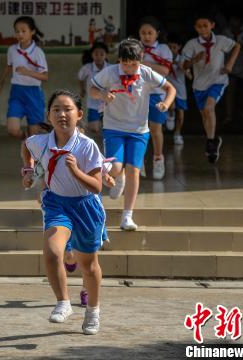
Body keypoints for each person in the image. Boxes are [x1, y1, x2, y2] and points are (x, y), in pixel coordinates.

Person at [21, 89, 106, 335]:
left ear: (79, 114)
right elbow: (25, 147)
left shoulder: (86, 146)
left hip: (86, 207)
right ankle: (63, 302)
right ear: (48, 115)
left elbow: (97, 185)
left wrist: (76, 171)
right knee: (52, 252)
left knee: (88, 266)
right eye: (56, 109)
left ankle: (93, 311)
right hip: (57, 204)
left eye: (68, 109)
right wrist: (28, 170)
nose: (62, 114)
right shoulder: (40, 141)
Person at [90, 38, 176, 230]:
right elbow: (93, 89)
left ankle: (127, 216)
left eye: (133, 64)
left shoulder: (146, 73)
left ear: (141, 59)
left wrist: (165, 104)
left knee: (134, 170)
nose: (128, 68)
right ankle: (118, 176)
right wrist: (103, 95)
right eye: (124, 63)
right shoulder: (110, 72)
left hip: (138, 130)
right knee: (114, 167)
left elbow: (171, 88)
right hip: (114, 127)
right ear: (119, 59)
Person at [182, 13, 241, 163]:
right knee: (204, 115)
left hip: (218, 80)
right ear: (195, 28)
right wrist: (195, 59)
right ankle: (213, 140)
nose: (202, 29)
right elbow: (184, 65)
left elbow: (236, 46)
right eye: (199, 26)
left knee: (209, 108)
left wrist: (229, 64)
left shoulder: (221, 41)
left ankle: (209, 142)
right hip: (199, 84)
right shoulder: (191, 44)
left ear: (212, 25)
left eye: (205, 26)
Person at [0, 16, 48, 140]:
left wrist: (27, 72)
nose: (20, 34)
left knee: (34, 133)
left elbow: (45, 77)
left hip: (34, 93)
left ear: (32, 32)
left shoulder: (38, 52)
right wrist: (0, 83)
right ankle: (26, 141)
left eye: (23, 31)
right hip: (17, 92)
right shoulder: (12, 50)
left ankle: (32, 147)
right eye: (17, 31)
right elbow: (8, 66)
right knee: (12, 129)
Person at [139, 16, 173, 180]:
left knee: (155, 129)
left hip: (157, 94)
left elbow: (165, 71)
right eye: (143, 33)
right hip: (138, 95)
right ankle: (139, 162)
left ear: (157, 34)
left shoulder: (164, 49)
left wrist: (144, 63)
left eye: (150, 33)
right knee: (138, 129)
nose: (146, 36)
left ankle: (158, 158)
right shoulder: (135, 47)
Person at [78, 42, 110, 135]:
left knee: (107, 128)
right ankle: (84, 125)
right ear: (92, 55)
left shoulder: (110, 68)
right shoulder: (86, 68)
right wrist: (82, 89)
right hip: (93, 103)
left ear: (106, 55)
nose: (99, 56)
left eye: (101, 54)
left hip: (107, 103)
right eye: (96, 54)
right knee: (94, 129)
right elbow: (81, 78)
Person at [166, 33, 192, 146]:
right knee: (171, 105)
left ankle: (177, 134)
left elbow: (190, 77)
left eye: (174, 47)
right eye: (169, 47)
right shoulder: (163, 58)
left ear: (179, 47)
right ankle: (170, 114)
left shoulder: (182, 60)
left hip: (180, 90)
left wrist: (183, 68)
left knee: (181, 115)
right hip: (166, 89)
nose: (171, 50)